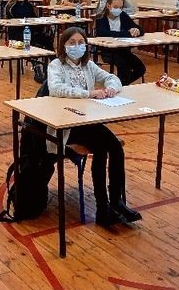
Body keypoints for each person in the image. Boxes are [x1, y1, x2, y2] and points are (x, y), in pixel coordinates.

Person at [46, 27, 142, 226]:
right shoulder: (56, 65)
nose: (77, 46)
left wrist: (111, 88)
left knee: (114, 148)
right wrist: (89, 93)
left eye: (81, 42)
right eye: (72, 43)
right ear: (63, 46)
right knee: (102, 148)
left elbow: (112, 78)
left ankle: (115, 202)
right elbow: (56, 88)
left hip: (87, 121)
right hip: (67, 124)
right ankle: (102, 207)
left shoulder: (88, 65)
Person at [5, 0, 54, 82]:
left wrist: (41, 23)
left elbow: (34, 19)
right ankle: (37, 68)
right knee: (29, 41)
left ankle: (55, 64)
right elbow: (11, 24)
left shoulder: (29, 5)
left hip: (31, 31)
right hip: (17, 34)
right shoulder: (11, 6)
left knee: (47, 39)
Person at [95, 0, 146, 85]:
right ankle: (120, 85)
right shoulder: (101, 17)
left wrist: (137, 30)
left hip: (123, 50)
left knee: (140, 68)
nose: (118, 10)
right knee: (124, 66)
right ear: (108, 6)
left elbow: (140, 29)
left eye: (120, 7)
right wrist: (128, 33)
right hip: (108, 51)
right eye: (115, 7)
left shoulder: (122, 15)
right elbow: (105, 33)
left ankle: (121, 84)